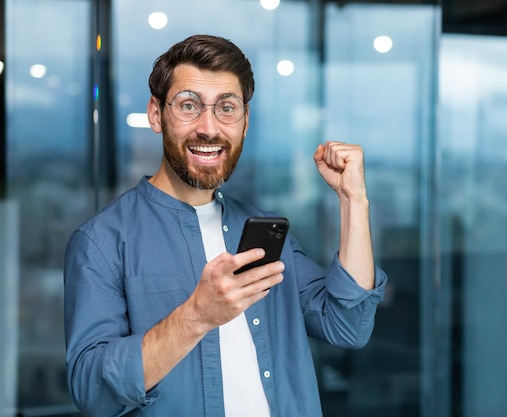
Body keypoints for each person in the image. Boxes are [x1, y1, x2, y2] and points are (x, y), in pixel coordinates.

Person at [64, 34, 387, 417]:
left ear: (245, 122)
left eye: (227, 108)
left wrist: (354, 201)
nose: (209, 128)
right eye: (188, 106)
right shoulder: (101, 242)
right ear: (156, 114)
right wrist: (197, 316)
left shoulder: (265, 235)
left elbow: (347, 323)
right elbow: (91, 392)